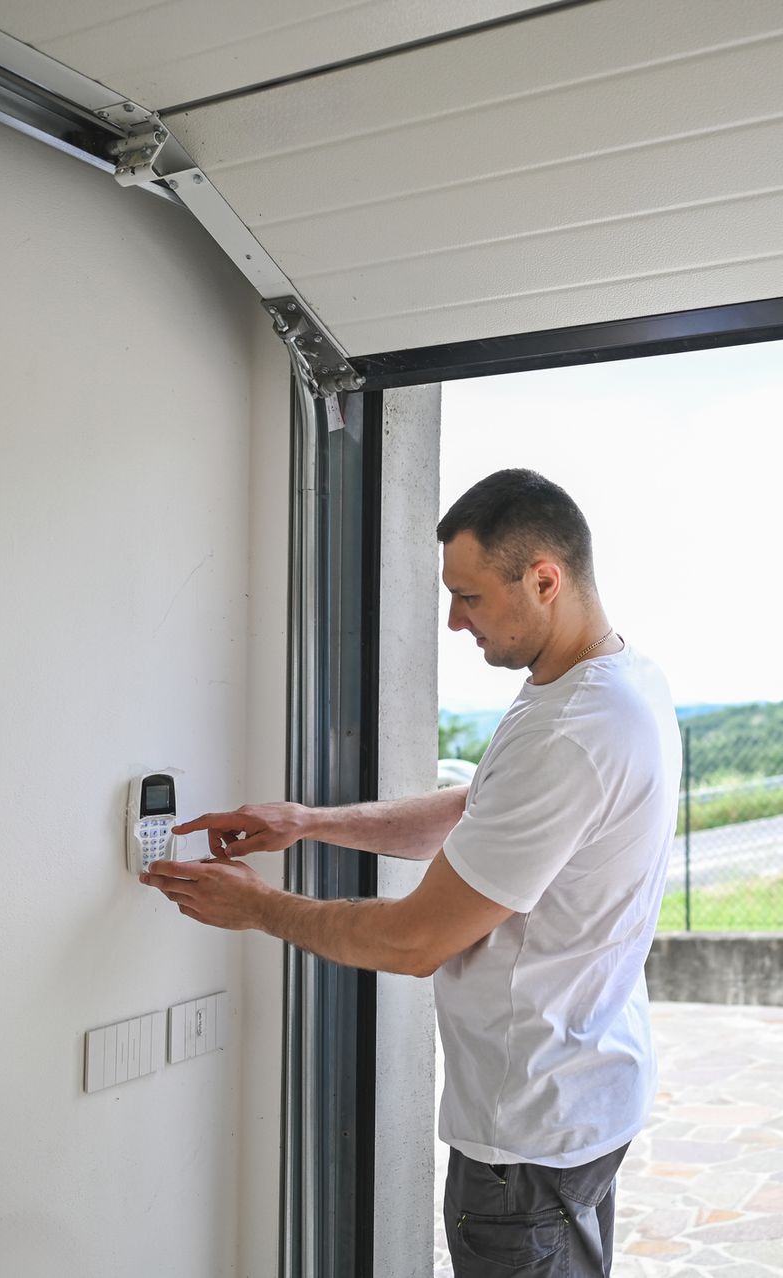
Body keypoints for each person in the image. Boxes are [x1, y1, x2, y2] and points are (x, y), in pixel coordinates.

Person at [142, 468, 682, 1276]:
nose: (455, 621)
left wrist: (260, 908)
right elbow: (479, 811)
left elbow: (414, 941)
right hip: (582, 1100)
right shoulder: (614, 682)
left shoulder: (573, 729)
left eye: (469, 597)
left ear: (544, 580)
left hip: (528, 1134)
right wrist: (310, 823)